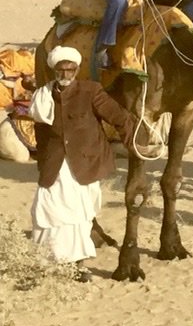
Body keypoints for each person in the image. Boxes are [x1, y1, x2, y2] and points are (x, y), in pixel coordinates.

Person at [29, 46, 136, 278]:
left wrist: (133, 144)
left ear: (77, 70)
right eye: (61, 70)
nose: (66, 75)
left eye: (70, 70)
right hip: (54, 164)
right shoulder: (43, 96)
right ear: (54, 70)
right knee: (47, 209)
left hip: (84, 164)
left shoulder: (91, 91)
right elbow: (41, 133)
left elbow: (119, 117)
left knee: (78, 214)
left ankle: (78, 265)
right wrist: (42, 162)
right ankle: (48, 262)